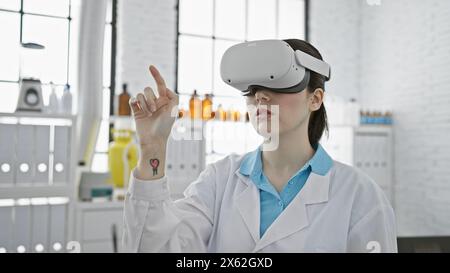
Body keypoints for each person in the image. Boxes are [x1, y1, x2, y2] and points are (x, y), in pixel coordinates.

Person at [122, 39, 397, 253]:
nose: (261, 96)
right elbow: (154, 247)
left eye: (279, 83)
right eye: (252, 89)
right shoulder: (219, 181)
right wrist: (153, 148)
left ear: (315, 99)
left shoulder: (361, 196)